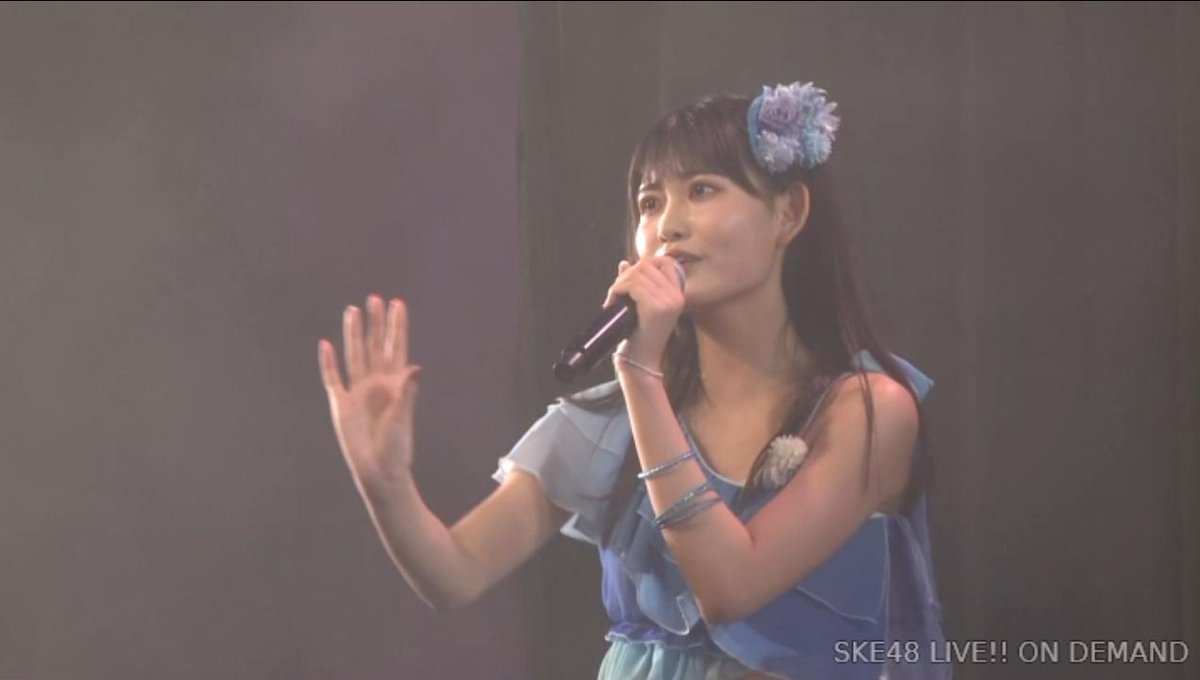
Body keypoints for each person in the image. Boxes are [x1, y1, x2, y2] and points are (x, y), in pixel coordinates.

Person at [317, 80, 950, 680]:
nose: (667, 225)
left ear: (789, 213)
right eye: (650, 203)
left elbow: (730, 588)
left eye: (702, 190)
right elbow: (456, 572)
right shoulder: (613, 419)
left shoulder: (867, 411)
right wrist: (387, 485)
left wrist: (641, 374)